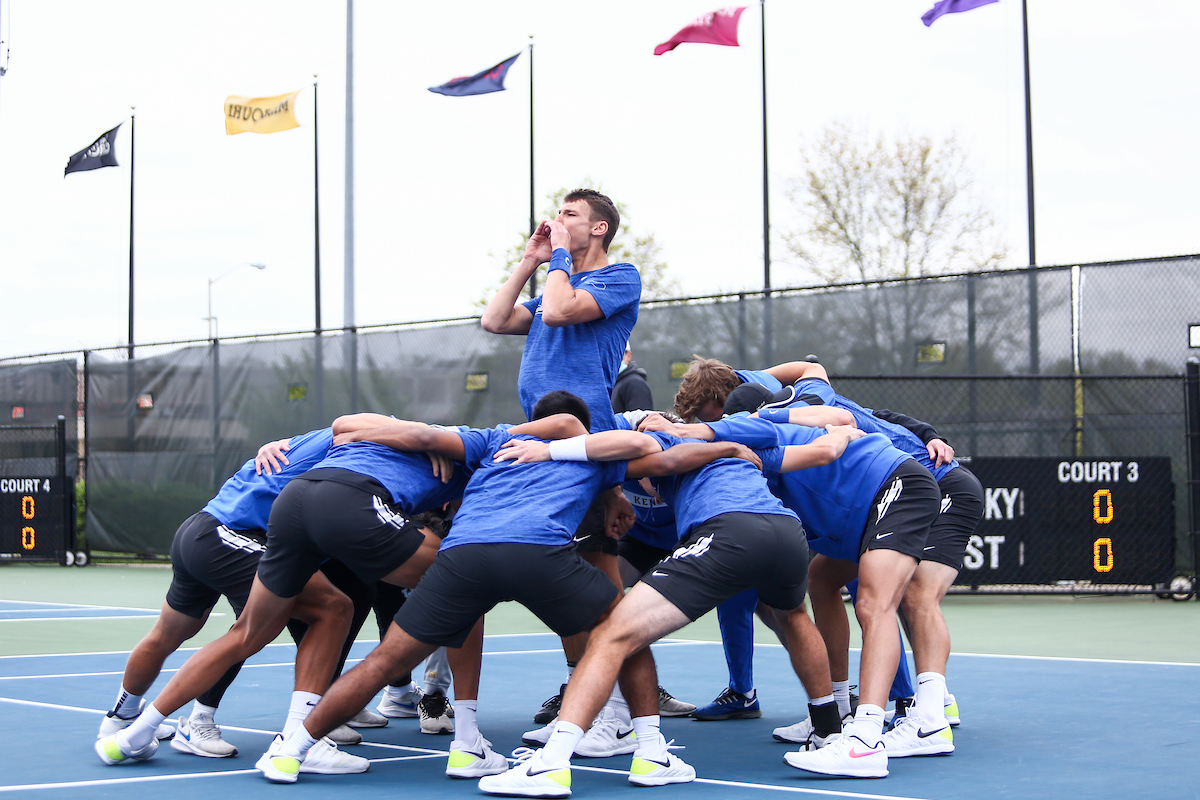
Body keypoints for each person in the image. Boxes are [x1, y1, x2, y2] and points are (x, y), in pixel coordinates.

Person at [252, 391, 748, 785]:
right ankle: (652, 753)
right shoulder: (591, 451)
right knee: (624, 633)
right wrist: (725, 446)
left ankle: (291, 750)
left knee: (385, 660)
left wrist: (367, 436)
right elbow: (659, 458)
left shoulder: (492, 442)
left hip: (463, 556)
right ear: (582, 426)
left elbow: (407, 433)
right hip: (536, 551)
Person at [93, 411, 575, 770]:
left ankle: (130, 729)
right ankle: (462, 740)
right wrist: (425, 436)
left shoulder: (389, 448)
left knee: (321, 610)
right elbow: (566, 423)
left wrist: (404, 437)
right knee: (458, 587)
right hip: (239, 528)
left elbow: (350, 428)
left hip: (279, 515)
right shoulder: (480, 446)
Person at [478, 417, 865, 797]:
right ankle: (828, 731)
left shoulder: (666, 439)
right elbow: (821, 451)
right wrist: (842, 432)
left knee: (612, 633)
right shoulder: (741, 449)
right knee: (793, 616)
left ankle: (551, 764)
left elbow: (619, 443)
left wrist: (548, 451)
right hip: (787, 534)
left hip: (730, 531)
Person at [648, 408, 941, 779]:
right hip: (861, 510)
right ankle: (838, 711)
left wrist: (683, 429)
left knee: (873, 604)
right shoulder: (741, 470)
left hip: (895, 485)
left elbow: (772, 426)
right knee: (821, 580)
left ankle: (868, 739)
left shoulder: (751, 436)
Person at [750, 363, 984, 754]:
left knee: (915, 596)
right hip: (894, 496)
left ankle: (931, 718)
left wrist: (931, 435)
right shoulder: (804, 416)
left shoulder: (808, 410)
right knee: (821, 579)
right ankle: (841, 705)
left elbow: (830, 386)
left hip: (943, 485)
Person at [481, 188, 643, 729]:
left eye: (569, 214)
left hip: (583, 445)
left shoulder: (618, 278)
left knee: (599, 578)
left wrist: (555, 257)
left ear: (598, 228)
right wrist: (530, 260)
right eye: (557, 214)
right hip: (544, 447)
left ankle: (619, 707)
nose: (556, 221)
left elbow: (557, 311)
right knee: (564, 579)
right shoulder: (555, 277)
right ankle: (585, 693)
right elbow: (495, 320)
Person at [610, 342, 653, 414]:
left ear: (629, 356)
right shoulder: (614, 383)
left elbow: (641, 419)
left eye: (618, 353)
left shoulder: (635, 384)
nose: (613, 357)